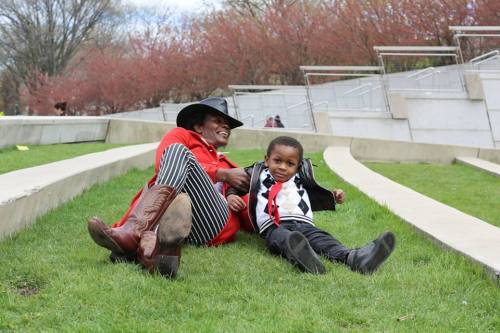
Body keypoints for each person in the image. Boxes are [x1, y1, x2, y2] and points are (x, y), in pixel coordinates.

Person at [87, 97, 251, 278]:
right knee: (177, 153)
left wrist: (234, 195)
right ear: (199, 127)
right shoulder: (182, 136)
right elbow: (162, 162)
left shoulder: (230, 167)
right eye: (218, 121)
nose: (226, 126)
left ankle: (133, 236)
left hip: (211, 223)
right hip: (175, 220)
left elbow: (249, 210)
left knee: (180, 157)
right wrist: (220, 174)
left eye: (228, 124)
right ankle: (155, 253)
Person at [226, 136, 395, 274]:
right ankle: (302, 256)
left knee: (324, 240)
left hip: (304, 225)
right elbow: (236, 183)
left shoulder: (300, 178)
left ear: (298, 167)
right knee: (282, 239)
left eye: (290, 164)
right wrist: (231, 195)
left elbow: (316, 191)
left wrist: (333, 195)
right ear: (267, 160)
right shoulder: (258, 173)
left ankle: (355, 258)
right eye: (277, 161)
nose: (282, 167)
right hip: (274, 226)